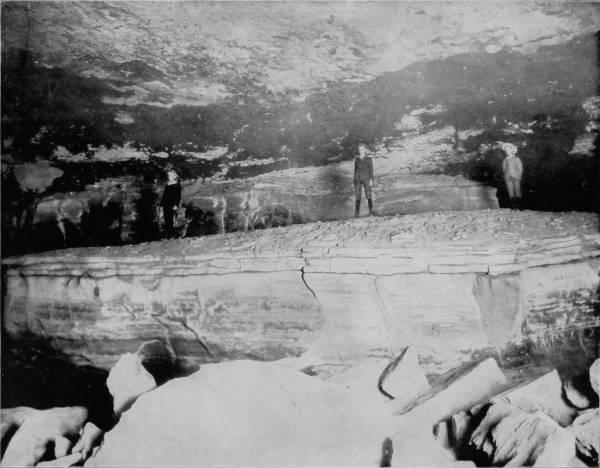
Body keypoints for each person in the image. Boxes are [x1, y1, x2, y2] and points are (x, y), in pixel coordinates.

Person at [353, 143, 374, 217]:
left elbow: (371, 170)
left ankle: (371, 212)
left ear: (365, 150)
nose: (360, 150)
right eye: (359, 149)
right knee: (357, 195)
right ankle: (356, 213)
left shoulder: (369, 159)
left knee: (368, 195)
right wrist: (354, 179)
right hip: (358, 179)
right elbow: (355, 170)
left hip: (366, 178)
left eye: (362, 149)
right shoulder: (357, 159)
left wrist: (371, 180)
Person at [501, 143, 523, 210]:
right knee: (510, 191)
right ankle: (513, 207)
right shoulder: (505, 160)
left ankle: (520, 206)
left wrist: (519, 175)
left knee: (517, 190)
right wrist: (506, 175)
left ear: (512, 150)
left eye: (508, 150)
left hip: (516, 177)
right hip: (508, 177)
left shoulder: (516, 159)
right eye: (506, 150)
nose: (507, 151)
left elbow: (520, 168)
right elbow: (504, 169)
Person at [160, 167, 181, 238]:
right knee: (166, 219)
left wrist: (176, 205)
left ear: (174, 176)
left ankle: (171, 233)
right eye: (169, 175)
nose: (169, 176)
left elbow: (178, 196)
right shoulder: (168, 184)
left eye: (170, 175)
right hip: (166, 204)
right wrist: (161, 204)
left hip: (172, 205)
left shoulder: (177, 185)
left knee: (171, 219)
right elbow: (164, 195)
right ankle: (168, 234)